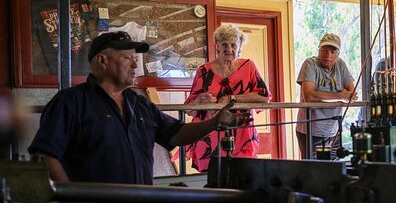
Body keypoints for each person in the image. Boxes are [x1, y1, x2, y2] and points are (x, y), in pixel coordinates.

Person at [28, 31, 245, 184]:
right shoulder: (70, 103)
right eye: (127, 58)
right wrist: (73, 201)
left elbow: (175, 134)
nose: (135, 64)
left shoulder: (138, 103)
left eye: (136, 58)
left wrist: (214, 122)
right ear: (102, 61)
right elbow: (44, 155)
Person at [183, 24, 271, 171]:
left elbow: (264, 97)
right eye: (224, 44)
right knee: (213, 180)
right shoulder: (203, 71)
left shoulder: (248, 66)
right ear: (217, 46)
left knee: (242, 177)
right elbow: (189, 109)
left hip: (242, 133)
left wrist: (233, 98)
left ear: (239, 47)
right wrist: (199, 101)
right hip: (210, 135)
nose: (229, 49)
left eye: (233, 45)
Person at [296, 33, 356, 159]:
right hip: (311, 130)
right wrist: (340, 95)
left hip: (333, 129)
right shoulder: (310, 64)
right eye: (324, 50)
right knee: (313, 170)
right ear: (319, 50)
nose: (328, 55)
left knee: (333, 169)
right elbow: (309, 96)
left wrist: (323, 95)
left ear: (338, 54)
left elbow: (351, 94)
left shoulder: (341, 65)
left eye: (332, 51)